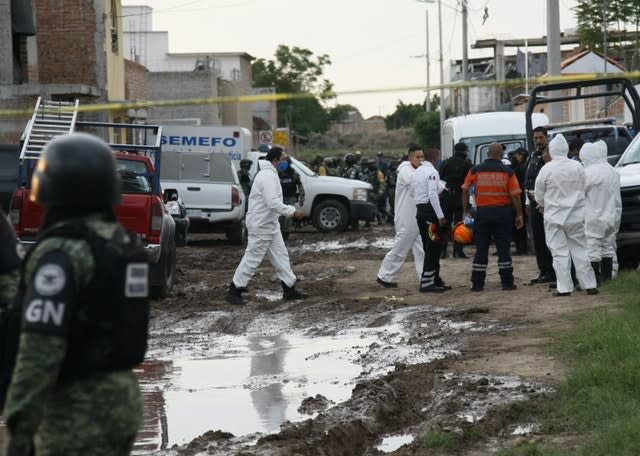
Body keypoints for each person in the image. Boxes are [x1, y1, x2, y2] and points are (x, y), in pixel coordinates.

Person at [3, 133, 148, 454]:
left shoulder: (62, 252)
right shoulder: (123, 243)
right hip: (123, 398)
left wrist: (19, 426)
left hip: (74, 410)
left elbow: (40, 350)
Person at [227, 146, 307, 304]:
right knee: (252, 258)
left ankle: (289, 288)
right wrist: (292, 211)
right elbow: (273, 203)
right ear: (275, 160)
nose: (285, 161)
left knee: (281, 256)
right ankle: (235, 290)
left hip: (270, 224)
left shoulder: (271, 174)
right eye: (283, 159)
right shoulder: (267, 176)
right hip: (261, 225)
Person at [534, 134, 599, 296]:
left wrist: (543, 204)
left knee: (559, 253)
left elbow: (539, 193)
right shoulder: (577, 166)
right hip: (576, 216)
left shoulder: (546, 169)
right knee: (581, 250)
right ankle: (589, 284)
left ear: (552, 150)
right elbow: (585, 185)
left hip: (554, 217)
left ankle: (564, 288)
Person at [462, 142, 524, 292]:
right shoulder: (508, 171)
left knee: (481, 248)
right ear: (501, 155)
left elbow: (464, 191)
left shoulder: (475, 170)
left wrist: (466, 211)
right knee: (503, 248)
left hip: (482, 213)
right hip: (503, 214)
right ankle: (507, 282)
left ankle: (477, 283)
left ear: (487, 154)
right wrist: (519, 214)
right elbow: (515, 196)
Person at [376, 145, 425, 288]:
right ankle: (385, 276)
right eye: (418, 157)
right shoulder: (405, 170)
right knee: (400, 249)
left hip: (417, 216)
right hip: (406, 217)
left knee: (422, 249)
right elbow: (415, 183)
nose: (421, 160)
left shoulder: (419, 170)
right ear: (410, 158)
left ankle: (426, 277)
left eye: (422, 157)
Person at [580, 140, 621, 283]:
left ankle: (594, 279)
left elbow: (580, 193)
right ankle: (607, 278)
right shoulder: (612, 170)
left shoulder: (588, 173)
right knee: (607, 246)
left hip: (593, 216)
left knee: (592, 248)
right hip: (610, 215)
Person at [412, 147, 450, 293]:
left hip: (420, 211)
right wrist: (440, 216)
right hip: (430, 212)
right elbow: (433, 195)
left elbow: (412, 191)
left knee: (430, 245)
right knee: (433, 247)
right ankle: (427, 282)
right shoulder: (432, 172)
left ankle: (435, 278)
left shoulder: (417, 172)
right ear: (434, 158)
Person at [524, 126, 556, 284]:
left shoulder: (550, 154)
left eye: (540, 138)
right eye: (535, 138)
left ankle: (552, 272)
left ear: (546, 138)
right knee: (537, 238)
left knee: (548, 238)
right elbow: (529, 179)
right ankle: (543, 271)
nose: (537, 141)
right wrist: (526, 200)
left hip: (546, 203)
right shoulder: (533, 154)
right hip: (533, 202)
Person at [438, 142, 472, 258]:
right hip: (460, 195)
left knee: (445, 223)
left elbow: (440, 179)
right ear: (464, 151)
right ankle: (458, 250)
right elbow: (469, 182)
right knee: (459, 224)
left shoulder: (445, 163)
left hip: (446, 195)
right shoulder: (467, 164)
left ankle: (442, 250)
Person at [278, 156, 305, 242]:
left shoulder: (293, 173)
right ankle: (280, 237)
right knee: (280, 219)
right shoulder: (277, 173)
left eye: (285, 162)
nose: (283, 164)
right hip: (280, 199)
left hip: (290, 199)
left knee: (288, 219)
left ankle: (285, 237)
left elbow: (300, 185)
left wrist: (302, 197)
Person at [508, 147, 529, 255]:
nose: (514, 157)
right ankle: (521, 247)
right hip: (521, 197)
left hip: (519, 197)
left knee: (520, 224)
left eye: (516, 155)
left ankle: (521, 247)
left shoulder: (521, 167)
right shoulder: (523, 166)